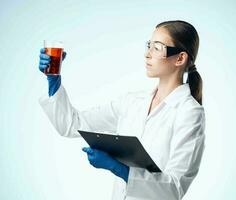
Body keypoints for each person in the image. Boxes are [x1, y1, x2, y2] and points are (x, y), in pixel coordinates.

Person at [38, 20, 205, 200]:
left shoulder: (189, 113)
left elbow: (174, 189)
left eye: (157, 48)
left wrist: (118, 168)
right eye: (149, 45)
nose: (147, 54)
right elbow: (71, 125)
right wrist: (53, 80)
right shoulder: (132, 102)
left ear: (180, 58)